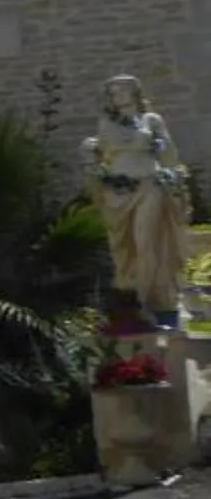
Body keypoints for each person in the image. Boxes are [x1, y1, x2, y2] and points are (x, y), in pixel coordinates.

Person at [85, 74, 190, 319]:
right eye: (113, 93)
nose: (117, 96)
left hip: (149, 184)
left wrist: (173, 178)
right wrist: (90, 150)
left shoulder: (151, 120)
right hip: (118, 192)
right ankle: (128, 296)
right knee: (123, 248)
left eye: (122, 90)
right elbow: (100, 154)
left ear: (135, 92)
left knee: (146, 241)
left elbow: (169, 155)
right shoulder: (106, 123)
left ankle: (148, 299)